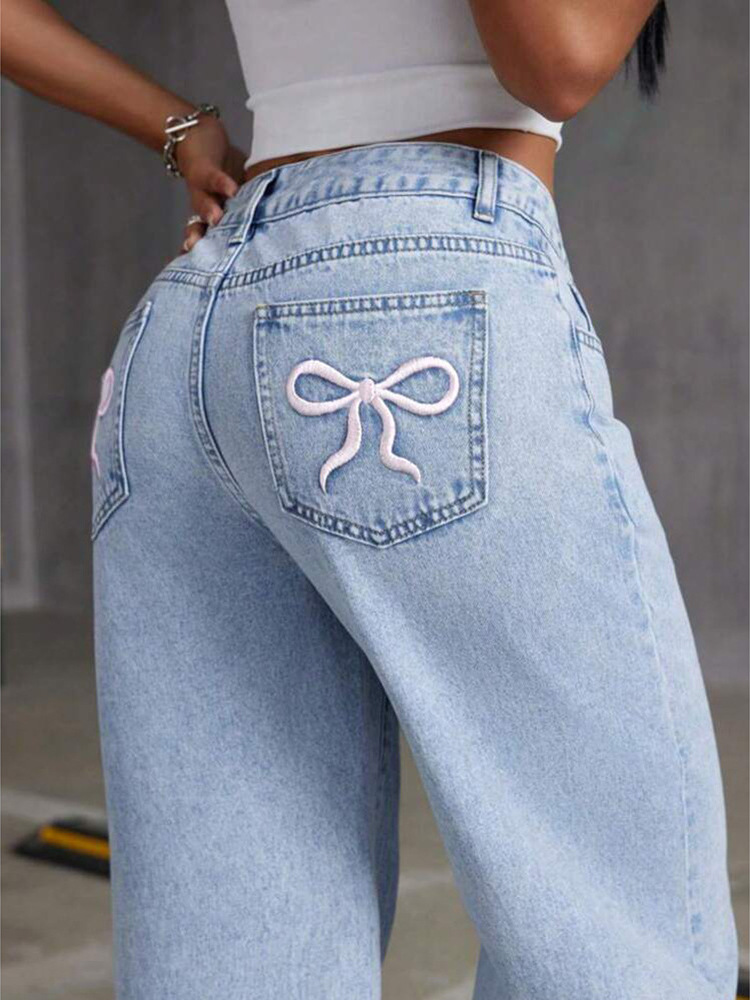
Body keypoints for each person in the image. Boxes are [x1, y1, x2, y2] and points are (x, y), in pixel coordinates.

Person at [2, 2, 738, 997]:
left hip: (192, 330)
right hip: (414, 308)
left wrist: (180, 128)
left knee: (234, 958)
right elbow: (557, 62)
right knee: (618, 934)